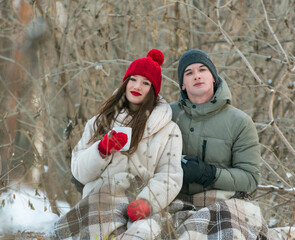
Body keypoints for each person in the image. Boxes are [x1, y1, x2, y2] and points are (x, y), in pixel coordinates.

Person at [54, 49, 183, 239]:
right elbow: (79, 172)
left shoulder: (169, 130)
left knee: (146, 232)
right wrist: (101, 151)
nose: (137, 86)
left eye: (145, 83)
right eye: (133, 79)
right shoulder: (99, 121)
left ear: (153, 90)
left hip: (142, 202)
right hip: (102, 197)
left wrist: (147, 202)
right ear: (125, 82)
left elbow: (170, 176)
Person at [168, 49, 268, 239]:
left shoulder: (239, 122)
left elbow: (250, 179)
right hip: (173, 199)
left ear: (213, 77)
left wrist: (209, 174)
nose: (196, 76)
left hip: (222, 202)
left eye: (202, 70)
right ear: (182, 84)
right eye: (189, 73)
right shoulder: (166, 115)